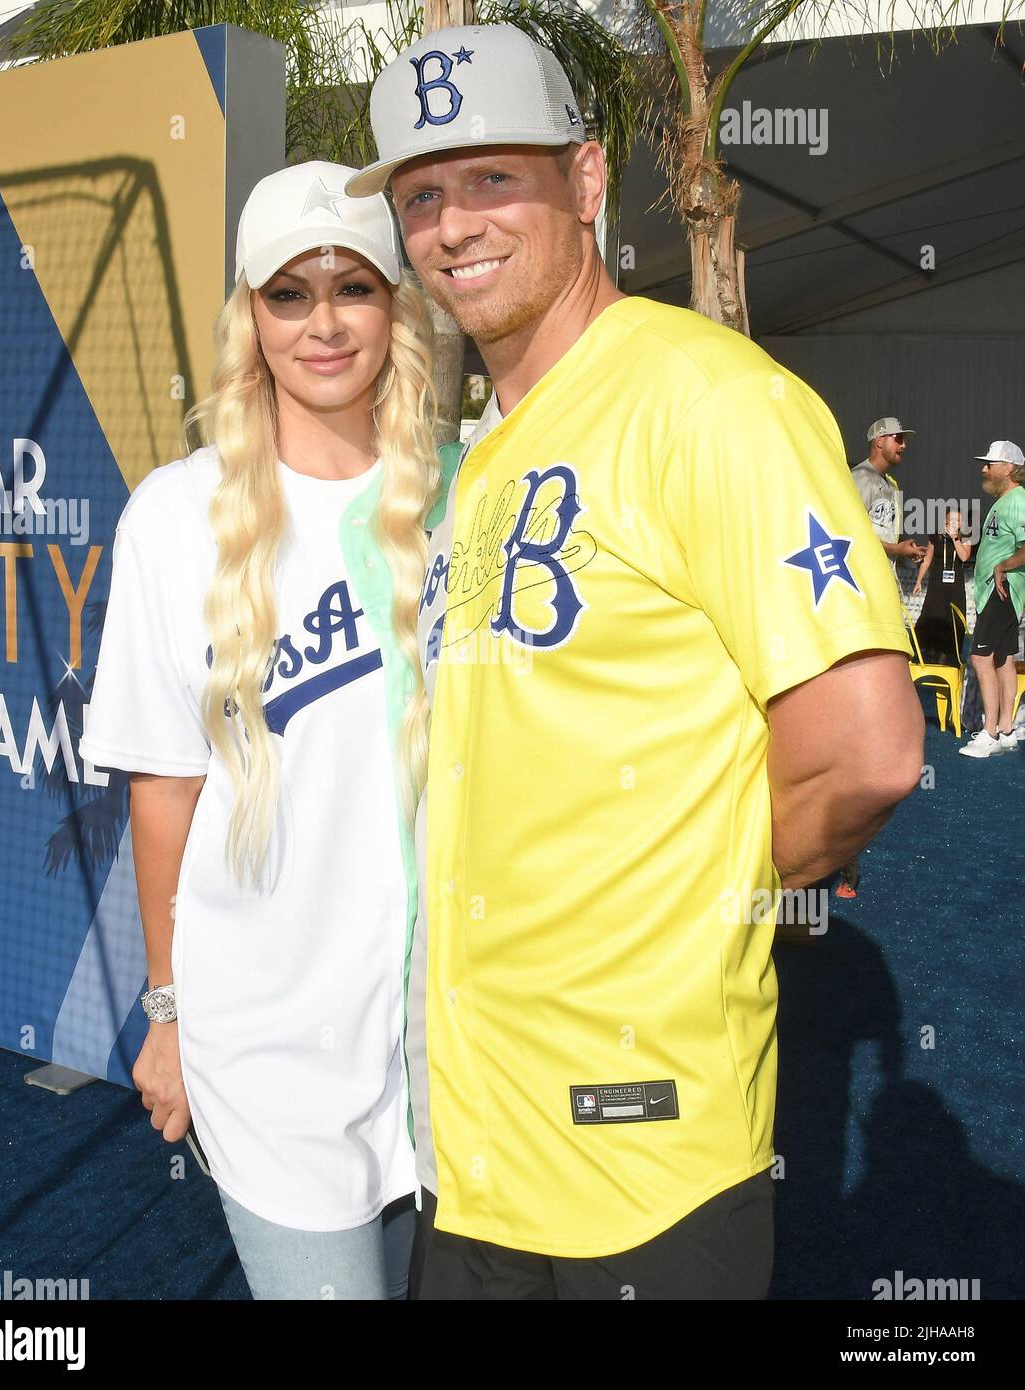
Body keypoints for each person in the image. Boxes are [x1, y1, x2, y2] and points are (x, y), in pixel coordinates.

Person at [345, 25, 926, 1299]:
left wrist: (695, 885)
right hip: (480, 1149)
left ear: (588, 180)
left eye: (493, 178)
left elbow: (870, 751)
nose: (451, 225)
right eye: (421, 195)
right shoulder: (485, 446)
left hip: (640, 1161)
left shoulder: (707, 398)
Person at [78, 161, 449, 1299]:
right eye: (289, 293)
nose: (325, 323)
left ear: (397, 306)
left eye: (355, 288)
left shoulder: (462, 495)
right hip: (268, 1043)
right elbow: (163, 790)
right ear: (249, 316)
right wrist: (167, 1014)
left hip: (447, 1036)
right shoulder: (174, 516)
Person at [959, 440, 1025, 758]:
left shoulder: (1018, 501)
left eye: (990, 463)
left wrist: (1003, 566)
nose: (983, 469)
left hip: (1004, 590)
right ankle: (1007, 729)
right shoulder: (1002, 502)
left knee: (980, 658)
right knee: (1003, 658)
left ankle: (990, 733)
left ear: (1009, 468)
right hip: (998, 591)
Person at [850, 417, 926, 591]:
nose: (904, 445)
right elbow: (851, 533)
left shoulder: (892, 485)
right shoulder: (860, 478)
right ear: (879, 441)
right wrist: (896, 549)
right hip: (861, 581)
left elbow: (885, 532)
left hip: (884, 578)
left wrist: (907, 548)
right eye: (898, 439)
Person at [913, 508, 970, 666]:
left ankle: (946, 657)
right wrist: (919, 580)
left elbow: (964, 556)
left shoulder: (965, 537)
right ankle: (927, 653)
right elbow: (927, 559)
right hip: (937, 583)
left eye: (957, 521)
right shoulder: (936, 535)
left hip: (954, 587)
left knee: (951, 619)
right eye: (950, 520)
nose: (953, 523)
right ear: (945, 521)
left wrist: (955, 539)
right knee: (932, 614)